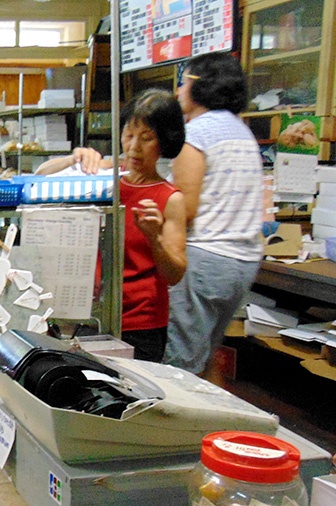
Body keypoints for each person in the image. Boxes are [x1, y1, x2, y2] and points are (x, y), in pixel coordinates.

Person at [36, 89, 187, 361]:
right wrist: (74, 158)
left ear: (165, 141)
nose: (133, 148)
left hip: (141, 324)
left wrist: (155, 238)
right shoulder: (106, 180)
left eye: (147, 138)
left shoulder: (169, 198)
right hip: (88, 317)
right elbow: (39, 177)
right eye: (128, 136)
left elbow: (175, 274)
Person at [162, 52, 264, 375]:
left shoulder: (197, 133)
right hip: (243, 262)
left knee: (182, 364)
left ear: (198, 86)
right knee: (207, 357)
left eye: (183, 81)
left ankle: (179, 425)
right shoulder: (242, 131)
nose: (178, 89)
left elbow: (186, 208)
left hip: (206, 258)